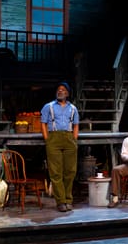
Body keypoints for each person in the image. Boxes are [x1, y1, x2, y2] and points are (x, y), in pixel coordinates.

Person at [40, 82, 80, 212]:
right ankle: (61, 201)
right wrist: (47, 139)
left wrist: (74, 139)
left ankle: (68, 199)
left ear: (67, 93)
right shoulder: (49, 106)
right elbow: (43, 123)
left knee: (70, 171)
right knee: (56, 172)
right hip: (54, 138)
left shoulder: (73, 108)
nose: (60, 91)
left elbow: (75, 125)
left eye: (63, 90)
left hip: (69, 139)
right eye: (58, 90)